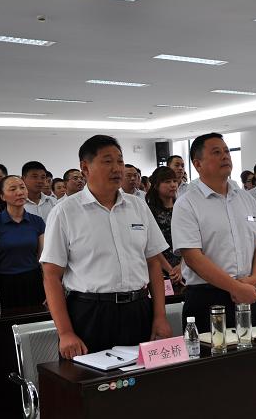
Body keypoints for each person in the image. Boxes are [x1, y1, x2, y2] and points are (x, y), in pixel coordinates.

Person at [41, 135, 171, 358]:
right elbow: (51, 276)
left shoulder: (138, 206)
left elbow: (153, 264)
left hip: (138, 308)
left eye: (120, 161)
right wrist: (65, 332)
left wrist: (160, 316)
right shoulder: (65, 212)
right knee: (90, 377)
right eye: (107, 161)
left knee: (143, 377)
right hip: (91, 312)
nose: (117, 168)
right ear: (85, 167)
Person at [172, 133, 256, 332]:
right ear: (197, 164)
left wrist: (254, 278)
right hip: (208, 297)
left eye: (226, 151)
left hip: (249, 290)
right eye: (216, 152)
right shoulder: (187, 203)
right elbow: (193, 257)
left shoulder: (245, 198)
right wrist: (235, 288)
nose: (225, 156)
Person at [0, 176, 46, 308]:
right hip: (4, 283)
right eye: (13, 189)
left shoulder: (37, 222)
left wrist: (49, 289)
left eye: (22, 187)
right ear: (2, 196)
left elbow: (43, 259)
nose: (19, 192)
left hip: (33, 281)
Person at [146, 167, 182, 285]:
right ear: (156, 185)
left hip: (186, 265)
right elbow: (152, 245)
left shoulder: (183, 207)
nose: (173, 185)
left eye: (174, 181)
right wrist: (171, 270)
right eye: (167, 182)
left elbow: (191, 239)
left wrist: (182, 266)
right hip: (159, 268)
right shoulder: (149, 211)